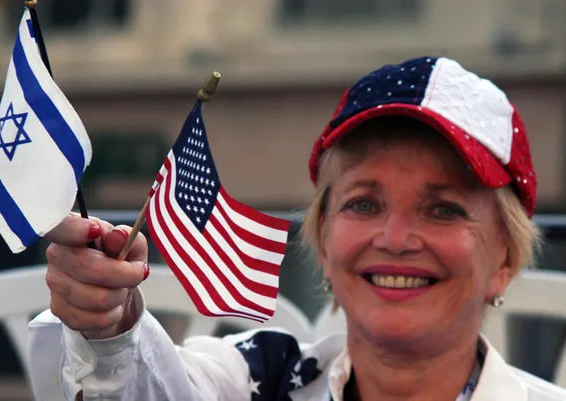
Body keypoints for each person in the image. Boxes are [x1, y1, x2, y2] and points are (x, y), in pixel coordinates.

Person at [28, 56, 566, 401]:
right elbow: (146, 390)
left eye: (444, 209)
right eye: (363, 203)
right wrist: (109, 320)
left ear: (505, 261)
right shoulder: (258, 375)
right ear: (326, 247)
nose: (396, 239)